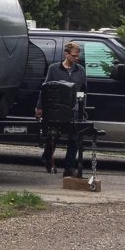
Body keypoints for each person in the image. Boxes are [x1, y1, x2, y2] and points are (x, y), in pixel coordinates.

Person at [35, 41, 87, 176]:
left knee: (74, 138)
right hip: (56, 110)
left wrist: (82, 107)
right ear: (66, 54)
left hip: (74, 109)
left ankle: (69, 168)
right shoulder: (54, 69)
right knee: (53, 136)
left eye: (77, 56)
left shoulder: (80, 70)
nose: (76, 58)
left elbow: (84, 90)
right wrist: (40, 106)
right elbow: (45, 89)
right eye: (74, 56)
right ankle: (47, 157)